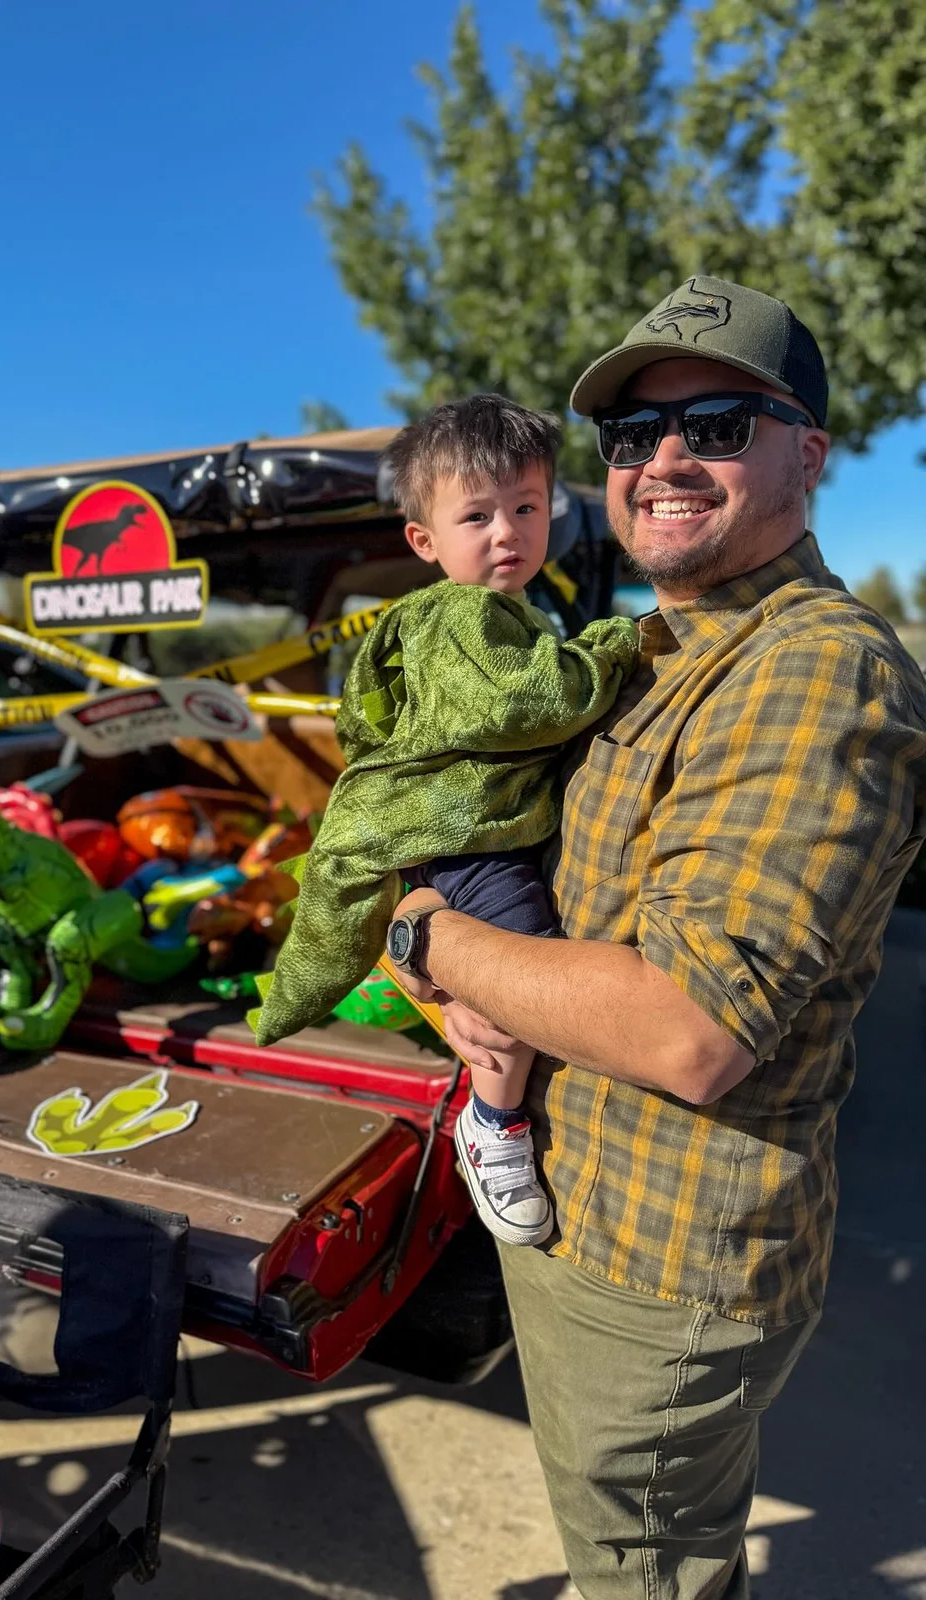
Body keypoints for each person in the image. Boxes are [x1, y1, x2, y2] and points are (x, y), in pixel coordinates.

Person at [385, 275, 926, 1598]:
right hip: (583, 1205)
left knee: (646, 1573)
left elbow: (686, 1031)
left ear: (811, 450)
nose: (665, 458)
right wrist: (487, 984)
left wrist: (420, 938)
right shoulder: (649, 648)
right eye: (633, 437)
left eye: (720, 423)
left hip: (662, 1254)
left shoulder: (816, 666)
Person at [251, 396, 638, 1247]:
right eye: (477, 515)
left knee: (494, 970)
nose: (507, 532)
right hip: (466, 839)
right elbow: (529, 703)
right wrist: (612, 649)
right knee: (518, 964)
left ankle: (482, 1065)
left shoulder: (492, 614)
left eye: (525, 508)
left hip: (464, 837)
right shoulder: (462, 615)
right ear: (424, 541)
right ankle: (491, 1126)